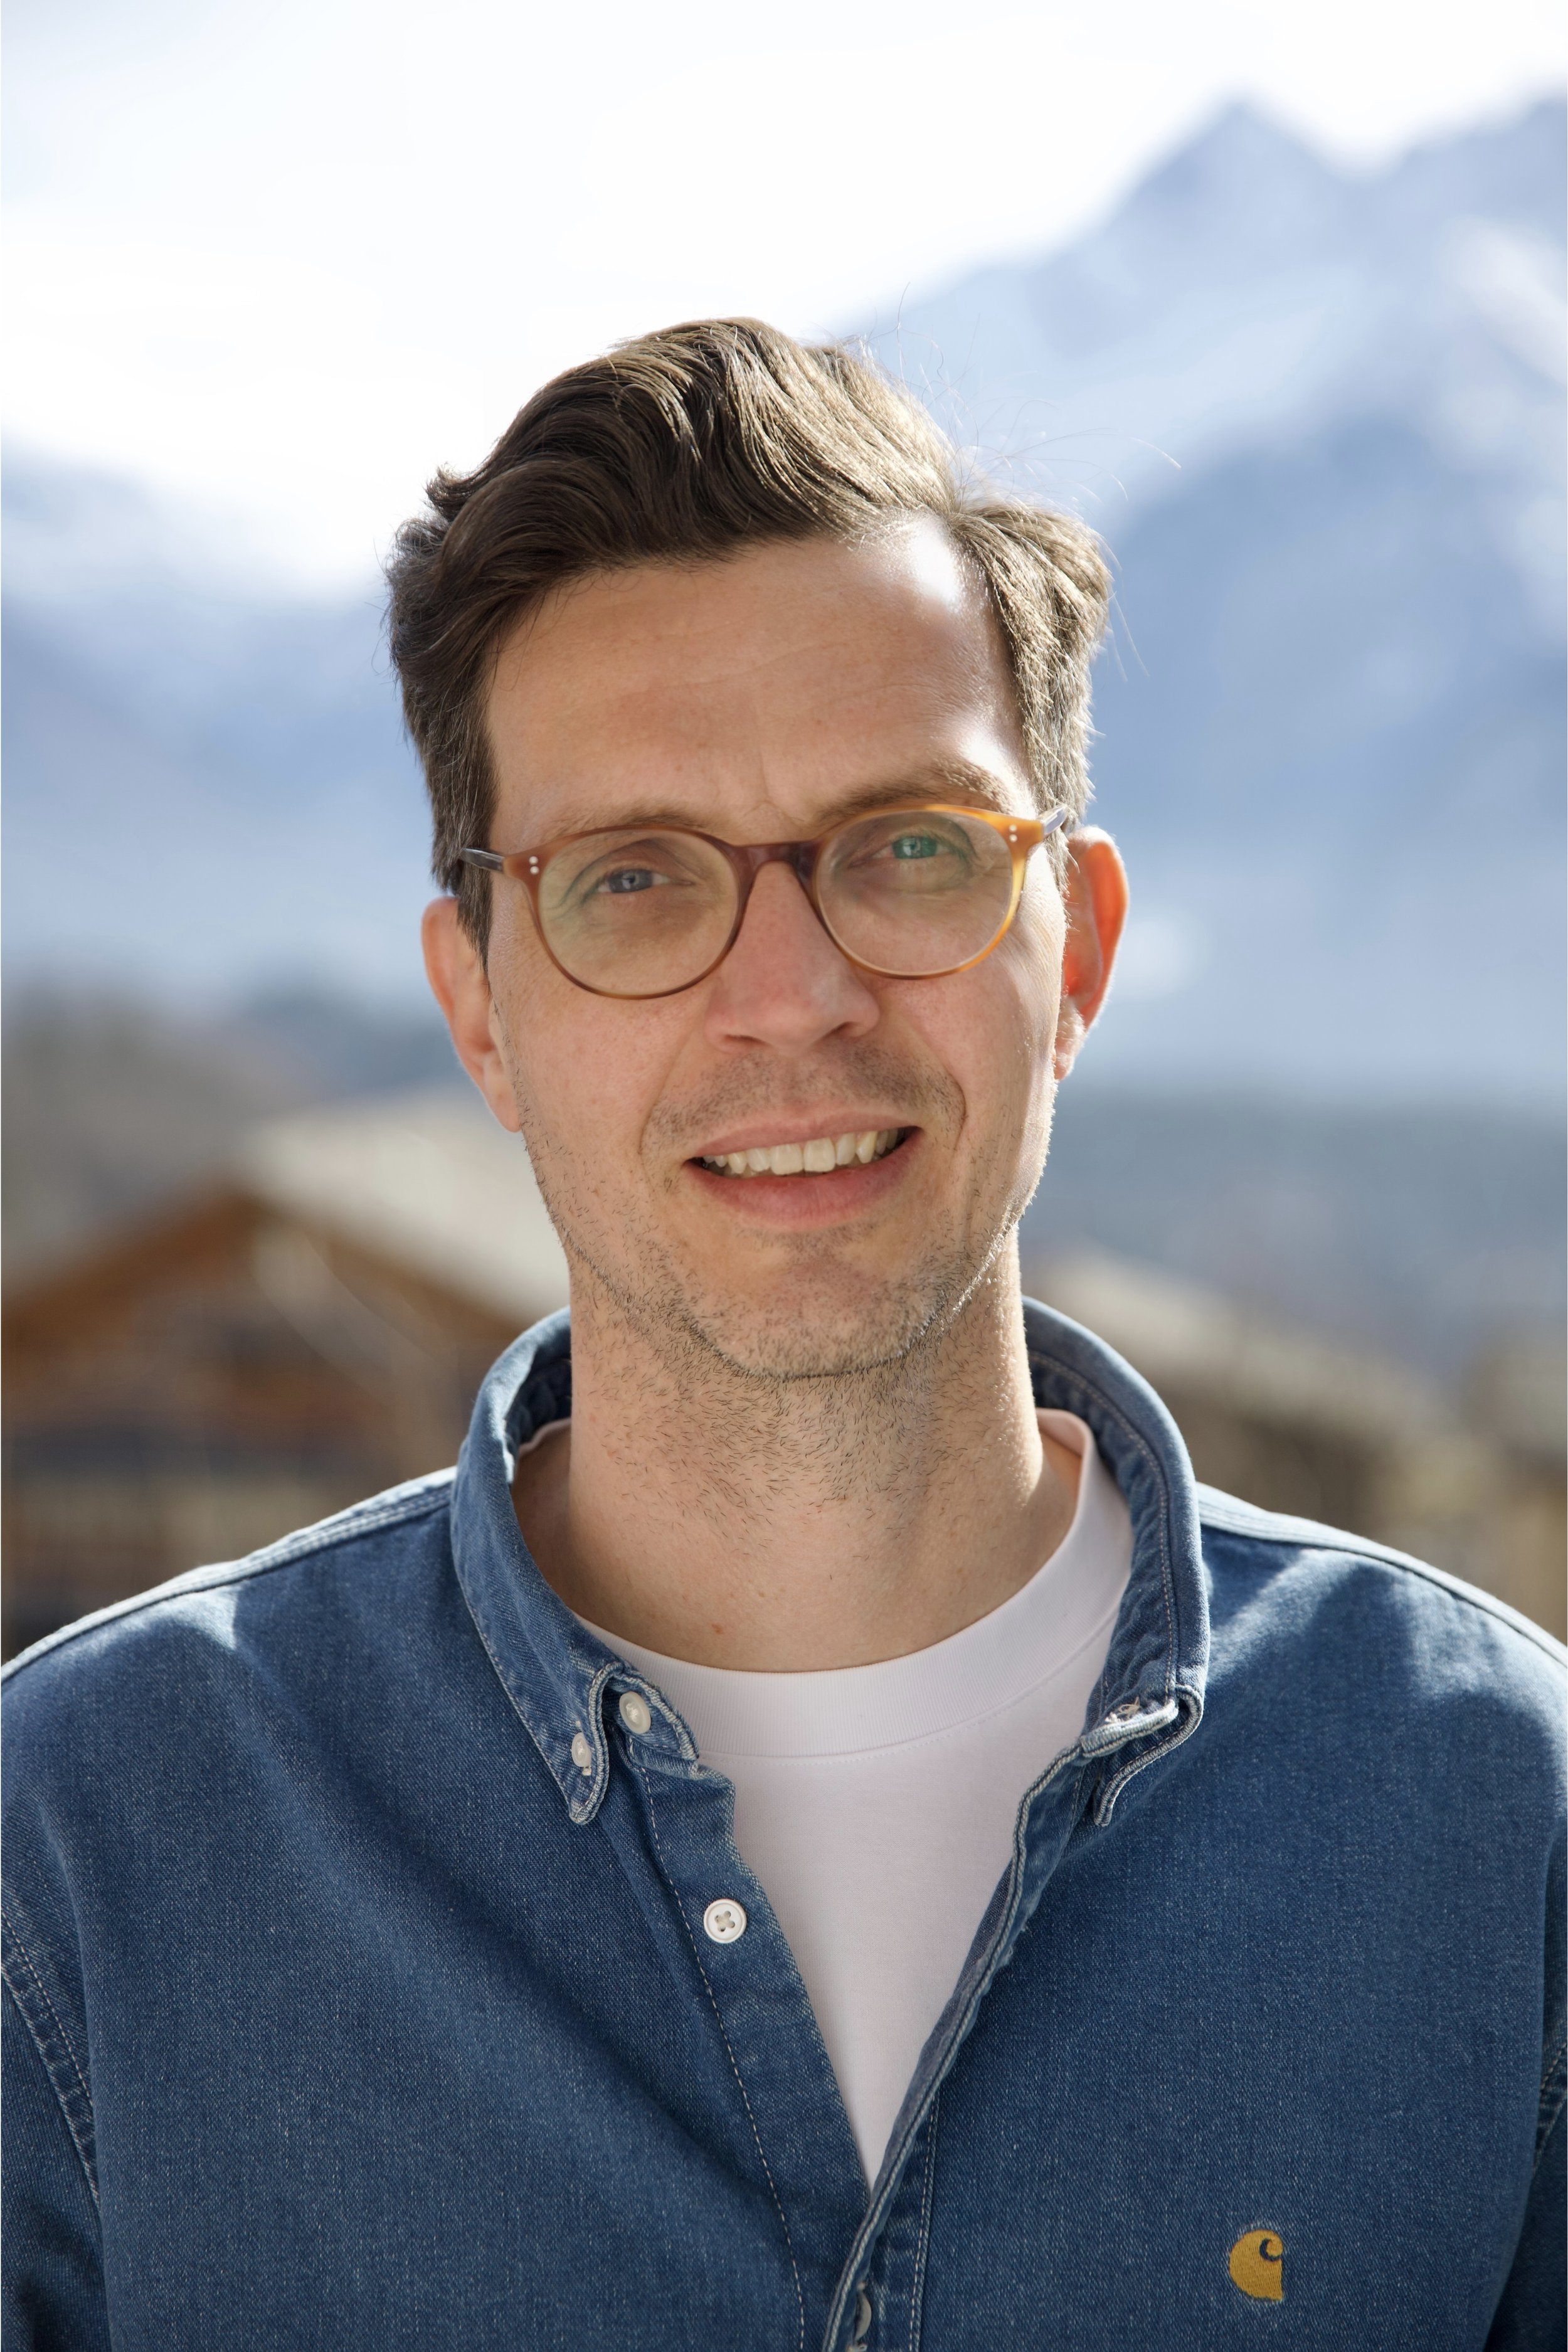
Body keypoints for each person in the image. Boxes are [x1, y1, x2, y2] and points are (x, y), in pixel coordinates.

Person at [3, 320, 1560, 2352]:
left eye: (909, 847)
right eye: (634, 881)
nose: (791, 993)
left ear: (1076, 949)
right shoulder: (83, 1853)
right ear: (481, 1011)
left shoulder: (1493, 1816)